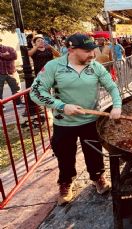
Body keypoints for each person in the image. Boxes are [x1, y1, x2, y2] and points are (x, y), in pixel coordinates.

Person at [30, 33, 122, 205]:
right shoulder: (53, 66)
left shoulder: (95, 66)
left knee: (94, 153)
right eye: (87, 51)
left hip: (91, 120)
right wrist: (61, 105)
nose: (92, 55)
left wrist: (117, 106)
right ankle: (66, 182)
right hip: (64, 123)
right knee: (65, 155)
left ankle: (97, 177)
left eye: (93, 50)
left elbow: (112, 87)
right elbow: (35, 93)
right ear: (70, 49)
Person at [0, 38, 23, 108]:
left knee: (16, 88)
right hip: (0, 73)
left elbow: (14, 56)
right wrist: (4, 55)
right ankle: (1, 107)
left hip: (11, 71)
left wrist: (2, 55)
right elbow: (9, 56)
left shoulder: (9, 48)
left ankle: (18, 103)